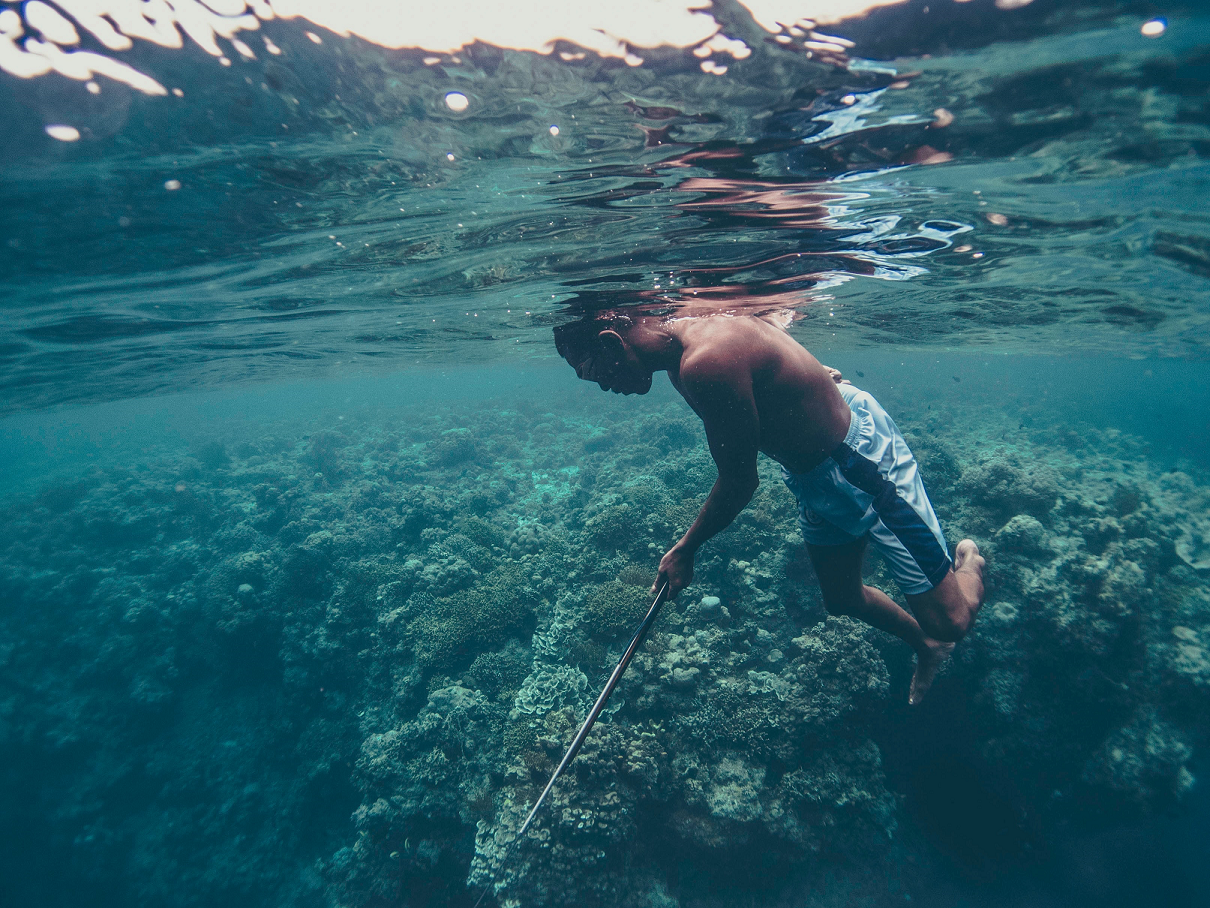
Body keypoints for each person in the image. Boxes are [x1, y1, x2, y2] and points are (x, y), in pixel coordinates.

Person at [554, 308, 985, 704]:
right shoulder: (680, 355)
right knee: (842, 598)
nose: (605, 387)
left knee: (950, 622)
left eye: (594, 374)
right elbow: (760, 339)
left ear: (612, 341)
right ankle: (926, 647)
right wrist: (806, 374)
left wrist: (686, 549)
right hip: (811, 475)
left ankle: (969, 564)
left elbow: (741, 483)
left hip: (858, 462)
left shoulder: (704, 362)